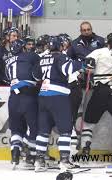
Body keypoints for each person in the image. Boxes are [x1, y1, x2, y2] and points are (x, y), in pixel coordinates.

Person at [33, 36, 90, 172]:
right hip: (58, 96)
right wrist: (82, 63)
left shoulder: (43, 58)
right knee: (65, 130)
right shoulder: (60, 57)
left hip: (43, 97)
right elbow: (68, 69)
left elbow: (35, 75)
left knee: (43, 130)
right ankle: (64, 161)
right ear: (60, 47)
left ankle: (39, 161)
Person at [80, 32, 112, 155]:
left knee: (89, 122)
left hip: (101, 90)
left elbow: (87, 66)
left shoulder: (99, 52)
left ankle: (86, 147)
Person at [5, 39, 40, 169]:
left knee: (16, 129)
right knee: (34, 127)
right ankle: (31, 156)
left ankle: (15, 154)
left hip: (13, 97)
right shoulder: (31, 56)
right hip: (28, 95)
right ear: (23, 48)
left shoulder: (7, 62)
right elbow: (38, 75)